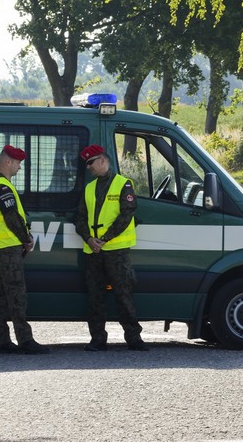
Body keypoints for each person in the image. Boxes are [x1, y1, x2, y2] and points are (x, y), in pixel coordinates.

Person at [75, 144, 148, 352]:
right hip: (93, 252)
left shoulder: (123, 184)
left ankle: (134, 339)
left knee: (123, 295)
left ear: (102, 161)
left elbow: (126, 214)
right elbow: (79, 218)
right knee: (95, 297)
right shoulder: (89, 188)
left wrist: (104, 238)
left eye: (91, 163)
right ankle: (98, 339)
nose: (89, 167)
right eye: (87, 164)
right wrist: (89, 239)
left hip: (116, 250)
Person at [0, 144, 50, 355]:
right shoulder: (3, 188)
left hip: (3, 247)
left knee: (2, 297)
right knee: (16, 294)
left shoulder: (2, 186)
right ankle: (25, 340)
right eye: (17, 163)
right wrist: (26, 239)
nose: (19, 167)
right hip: (9, 247)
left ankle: (2, 341)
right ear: (8, 162)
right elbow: (12, 218)